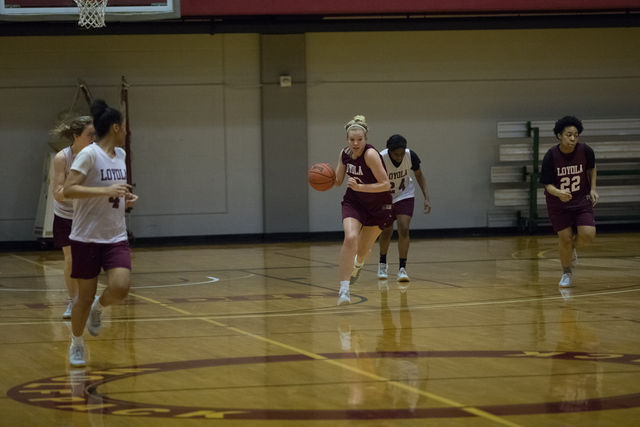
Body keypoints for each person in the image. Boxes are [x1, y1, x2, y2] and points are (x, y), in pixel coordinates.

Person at [63, 99, 138, 367]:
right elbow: (68, 190)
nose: (127, 131)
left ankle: (99, 307)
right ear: (115, 127)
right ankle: (77, 343)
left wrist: (125, 197)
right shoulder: (89, 154)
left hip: (115, 236)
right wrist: (105, 191)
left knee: (120, 288)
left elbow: (112, 189)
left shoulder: (120, 156)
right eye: (124, 127)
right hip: (86, 237)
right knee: (82, 296)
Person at [333, 115, 394, 305]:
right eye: (352, 140)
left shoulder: (370, 155)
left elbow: (386, 184)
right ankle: (344, 290)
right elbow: (337, 181)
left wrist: (361, 187)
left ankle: (358, 264)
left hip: (378, 206)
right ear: (347, 140)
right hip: (354, 202)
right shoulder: (344, 154)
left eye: (359, 140)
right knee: (350, 237)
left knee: (362, 249)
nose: (356, 143)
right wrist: (322, 176)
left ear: (365, 139)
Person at [540, 115, 598, 288]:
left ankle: (571, 250)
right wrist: (558, 193)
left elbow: (592, 168)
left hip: (581, 201)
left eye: (576, 135)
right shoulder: (551, 156)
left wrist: (593, 188)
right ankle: (566, 272)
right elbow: (547, 185)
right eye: (568, 135)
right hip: (558, 204)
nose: (573, 138)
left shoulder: (585, 150)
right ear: (559, 135)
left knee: (588, 234)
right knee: (565, 239)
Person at [49, 116, 95, 318]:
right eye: (89, 135)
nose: (94, 138)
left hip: (89, 215)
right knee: (70, 259)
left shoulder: (98, 156)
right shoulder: (63, 157)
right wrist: (78, 191)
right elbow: (58, 193)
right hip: (66, 216)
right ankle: (73, 300)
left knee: (88, 260)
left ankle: (88, 298)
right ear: (76, 136)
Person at [377, 134, 431, 282]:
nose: (399, 157)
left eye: (401, 154)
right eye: (396, 154)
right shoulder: (380, 159)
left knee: (404, 228)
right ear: (389, 151)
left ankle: (402, 268)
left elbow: (419, 176)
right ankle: (382, 263)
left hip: (404, 194)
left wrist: (426, 198)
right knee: (387, 230)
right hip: (385, 196)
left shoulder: (410, 156)